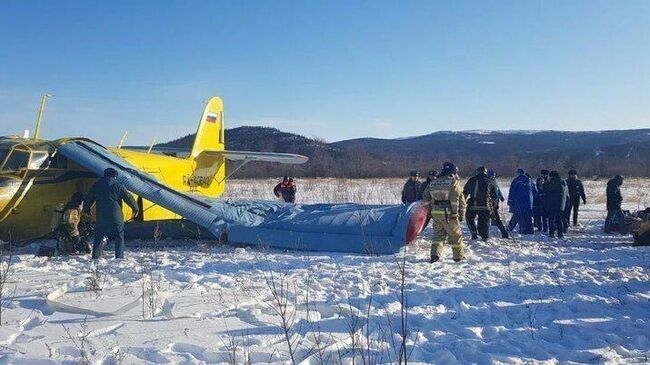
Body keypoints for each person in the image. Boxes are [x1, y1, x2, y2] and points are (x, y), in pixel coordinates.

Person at [84, 168, 139, 259]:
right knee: (119, 238)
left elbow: (89, 199)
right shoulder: (119, 186)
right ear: (115, 176)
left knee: (98, 237)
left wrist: (87, 209)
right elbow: (129, 198)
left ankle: (95, 257)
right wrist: (135, 209)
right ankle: (119, 257)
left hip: (101, 216)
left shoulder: (97, 185)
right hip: (116, 217)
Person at [422, 162, 466, 263]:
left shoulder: (433, 182)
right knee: (456, 236)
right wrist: (457, 213)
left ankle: (435, 255)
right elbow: (456, 199)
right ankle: (458, 257)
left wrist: (431, 208)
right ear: (452, 172)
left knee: (438, 236)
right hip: (449, 213)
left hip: (436, 213)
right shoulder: (453, 183)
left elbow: (425, 197)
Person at [463, 166, 497, 241]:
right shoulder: (489, 180)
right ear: (485, 172)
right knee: (484, 220)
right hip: (485, 205)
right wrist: (494, 205)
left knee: (469, 218)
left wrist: (462, 202)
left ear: (477, 171)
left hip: (472, 205)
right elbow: (494, 196)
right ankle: (484, 237)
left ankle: (474, 233)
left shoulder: (472, 180)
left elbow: (465, 192)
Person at [507, 168, 537, 234]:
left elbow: (512, 191)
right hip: (529, 203)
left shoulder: (516, 181)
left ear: (518, 173)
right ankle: (530, 230)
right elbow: (535, 192)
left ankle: (522, 230)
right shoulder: (530, 181)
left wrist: (510, 201)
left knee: (520, 216)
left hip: (519, 202)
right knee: (528, 217)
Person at [544, 171, 569, 238]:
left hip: (553, 203)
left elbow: (547, 190)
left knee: (551, 219)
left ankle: (551, 233)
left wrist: (546, 183)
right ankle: (560, 233)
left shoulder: (553, 182)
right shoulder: (563, 182)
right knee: (559, 219)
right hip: (561, 204)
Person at [487, 170, 509, 239]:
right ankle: (504, 232)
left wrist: (501, 197)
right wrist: (501, 197)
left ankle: (485, 233)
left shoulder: (488, 182)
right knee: (496, 218)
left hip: (490, 203)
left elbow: (497, 191)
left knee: (487, 218)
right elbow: (498, 190)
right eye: (492, 175)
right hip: (495, 202)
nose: (493, 176)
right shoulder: (494, 182)